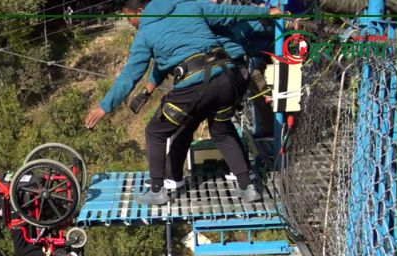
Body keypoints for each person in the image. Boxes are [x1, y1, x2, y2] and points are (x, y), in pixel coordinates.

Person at [84, 0, 281, 204]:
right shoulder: (189, 7)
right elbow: (228, 12)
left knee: (155, 131)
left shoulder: (146, 32)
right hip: (228, 78)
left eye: (129, 17)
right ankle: (247, 186)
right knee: (221, 130)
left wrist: (104, 106)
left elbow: (131, 74)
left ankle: (157, 190)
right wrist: (268, 12)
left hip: (195, 85)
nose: (130, 23)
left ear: (141, 11)